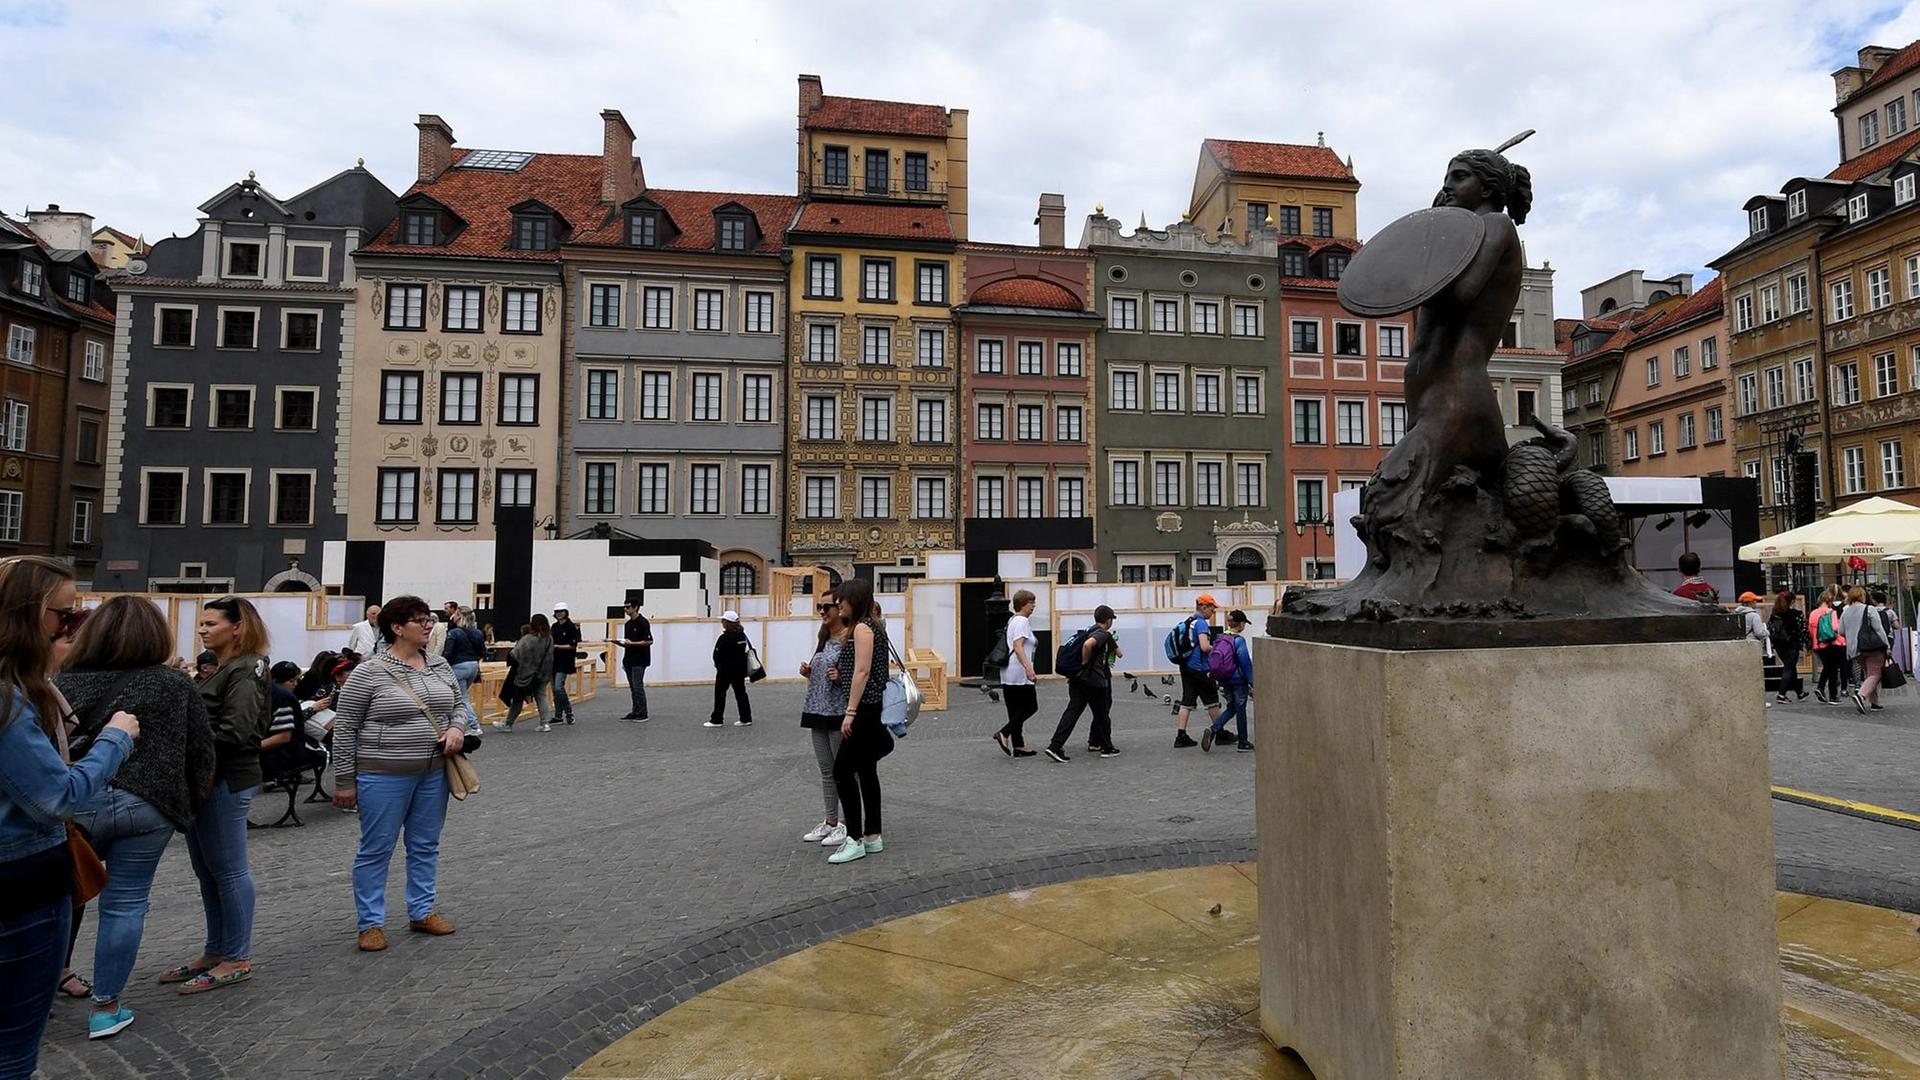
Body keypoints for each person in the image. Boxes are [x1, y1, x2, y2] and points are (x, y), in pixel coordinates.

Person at [0, 556, 138, 1077]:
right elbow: (57, 797)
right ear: (30, 617)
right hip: (22, 884)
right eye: (67, 615)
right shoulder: (9, 697)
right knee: (13, 1050)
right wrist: (116, 738)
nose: (72, 627)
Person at [57, 596, 216, 1040]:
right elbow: (202, 749)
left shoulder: (66, 680)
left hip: (78, 801)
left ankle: (44, 982)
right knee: (125, 906)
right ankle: (106, 1007)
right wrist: (185, 804)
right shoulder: (172, 684)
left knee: (62, 895)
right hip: (148, 806)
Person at [330, 596, 464, 952]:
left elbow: (459, 705)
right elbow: (344, 728)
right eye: (419, 620)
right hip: (383, 775)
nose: (428, 625)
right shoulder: (368, 672)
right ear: (396, 627)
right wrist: (344, 780)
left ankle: (422, 910)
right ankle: (370, 923)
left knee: (425, 845)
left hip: (434, 773)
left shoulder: (439, 665)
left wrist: (457, 729)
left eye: (429, 618)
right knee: (376, 848)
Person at [163, 596, 268, 997]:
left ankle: (236, 957)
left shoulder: (247, 668)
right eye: (202, 623)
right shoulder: (222, 669)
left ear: (238, 627)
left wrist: (185, 742)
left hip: (226, 778)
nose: (203, 629)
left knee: (228, 869)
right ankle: (215, 950)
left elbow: (237, 730)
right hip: (206, 779)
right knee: (208, 871)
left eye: (211, 623)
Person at [828, 578, 893, 864]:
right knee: (866, 771)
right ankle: (873, 835)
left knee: (841, 770)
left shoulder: (864, 628)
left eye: (842, 599)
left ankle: (854, 838)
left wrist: (850, 711)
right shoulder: (872, 625)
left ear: (854, 599)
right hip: (871, 707)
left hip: (864, 709)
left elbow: (862, 671)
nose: (837, 604)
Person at [799, 590, 849, 848]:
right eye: (819, 606)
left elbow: (857, 677)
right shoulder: (824, 637)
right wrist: (810, 672)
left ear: (839, 609)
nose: (821, 611)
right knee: (826, 770)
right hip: (816, 709)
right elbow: (822, 671)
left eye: (826, 607)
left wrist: (841, 678)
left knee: (843, 770)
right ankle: (831, 821)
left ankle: (850, 822)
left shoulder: (849, 639)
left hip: (837, 711)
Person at [1043, 605, 1121, 762]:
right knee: (1102, 714)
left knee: (1072, 712)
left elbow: (1117, 652)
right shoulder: (1101, 634)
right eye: (1112, 619)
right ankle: (1107, 748)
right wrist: (1085, 662)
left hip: (1077, 679)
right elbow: (1088, 645)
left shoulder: (1088, 630)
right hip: (1094, 681)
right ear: (1108, 620)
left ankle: (1055, 746)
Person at [261, 662, 327, 781]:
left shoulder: (265, 694)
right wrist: (313, 709)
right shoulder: (284, 697)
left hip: (275, 751)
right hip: (286, 753)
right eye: (291, 681)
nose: (295, 685)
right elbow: (284, 736)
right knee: (326, 753)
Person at [993, 590, 1040, 758]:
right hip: (1019, 672)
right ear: (1022, 604)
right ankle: (1004, 733)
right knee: (1031, 706)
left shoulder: (1012, 620)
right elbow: (1018, 647)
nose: (1033, 606)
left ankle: (1018, 745)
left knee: (1015, 709)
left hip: (1009, 672)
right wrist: (1029, 669)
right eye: (1031, 603)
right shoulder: (1021, 621)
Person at [1173, 595, 1223, 748]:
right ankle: (1219, 732)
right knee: (1212, 700)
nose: (1214, 611)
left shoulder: (1190, 621)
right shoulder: (1201, 624)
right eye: (1212, 607)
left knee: (1187, 700)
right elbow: (1204, 647)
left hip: (1186, 666)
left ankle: (1181, 736)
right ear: (1203, 607)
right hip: (1199, 667)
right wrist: (1218, 649)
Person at [1206, 609, 1257, 753]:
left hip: (1224, 679)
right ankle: (1243, 742)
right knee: (1241, 710)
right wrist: (1252, 681)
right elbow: (1245, 662)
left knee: (1232, 708)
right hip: (1238, 680)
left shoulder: (1220, 638)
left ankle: (1214, 729)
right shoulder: (1238, 640)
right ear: (1240, 624)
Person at [493, 616, 554, 732]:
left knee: (518, 698)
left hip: (525, 674)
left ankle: (508, 724)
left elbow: (515, 655)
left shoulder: (528, 639)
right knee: (541, 696)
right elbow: (550, 656)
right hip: (543, 673)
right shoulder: (549, 638)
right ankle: (545, 724)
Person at [1841, 585, 1893, 713]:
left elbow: (1841, 631)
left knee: (1869, 674)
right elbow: (1878, 629)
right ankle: (1861, 695)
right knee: (1875, 674)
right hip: (1871, 647)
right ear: (1862, 596)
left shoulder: (1845, 611)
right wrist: (1887, 645)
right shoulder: (1869, 609)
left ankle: (1874, 703)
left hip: (1854, 650)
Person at [440, 608, 486, 733]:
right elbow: (483, 652)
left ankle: (473, 725)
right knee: (461, 695)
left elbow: (447, 653)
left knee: (461, 698)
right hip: (473, 666)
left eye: (455, 614)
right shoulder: (478, 633)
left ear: (459, 616)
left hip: (458, 666)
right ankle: (459, 723)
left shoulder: (454, 633)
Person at [708, 611, 754, 727]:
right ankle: (746, 717)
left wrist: (718, 666)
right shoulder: (741, 635)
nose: (722, 622)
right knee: (741, 694)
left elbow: (717, 654)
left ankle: (717, 719)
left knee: (720, 695)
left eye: (723, 620)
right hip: (739, 670)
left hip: (725, 671)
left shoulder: (724, 638)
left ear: (727, 623)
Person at [1768, 590, 1811, 705]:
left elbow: (1770, 628)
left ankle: (1799, 692)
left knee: (1791, 668)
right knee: (1788, 668)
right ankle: (1781, 694)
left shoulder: (1775, 614)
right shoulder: (1796, 614)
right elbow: (1804, 630)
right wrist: (1808, 644)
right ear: (1792, 601)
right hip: (1792, 644)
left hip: (1779, 645)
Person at [1731, 591, 1773, 705]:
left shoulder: (1735, 614)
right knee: (1755, 675)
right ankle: (1757, 701)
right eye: (1755, 601)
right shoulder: (1754, 616)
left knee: (1743, 675)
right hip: (1752, 648)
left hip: (1740, 648)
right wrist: (1767, 632)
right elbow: (1759, 633)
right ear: (1750, 602)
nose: (1756, 603)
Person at [1811, 587, 1850, 705]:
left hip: (1818, 644)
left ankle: (1821, 688)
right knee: (1832, 669)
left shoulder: (1813, 613)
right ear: (1829, 601)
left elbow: (1811, 629)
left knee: (1828, 667)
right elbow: (1835, 628)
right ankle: (1833, 695)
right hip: (1832, 643)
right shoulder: (1831, 612)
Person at [618, 600, 653, 722]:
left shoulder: (643, 622)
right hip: (629, 659)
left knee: (638, 686)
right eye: (625, 607)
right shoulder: (628, 624)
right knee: (633, 687)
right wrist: (620, 643)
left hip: (640, 659)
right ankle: (635, 711)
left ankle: (643, 713)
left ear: (635, 607)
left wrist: (632, 643)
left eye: (628, 607)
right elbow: (628, 643)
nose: (626, 610)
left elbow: (649, 641)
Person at [549, 602, 581, 726]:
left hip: (565, 661)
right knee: (554, 690)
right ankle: (558, 715)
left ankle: (569, 712)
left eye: (561, 611)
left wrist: (556, 646)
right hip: (553, 661)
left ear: (566, 612)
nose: (559, 614)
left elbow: (573, 645)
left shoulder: (571, 627)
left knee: (558, 687)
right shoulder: (554, 627)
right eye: (557, 612)